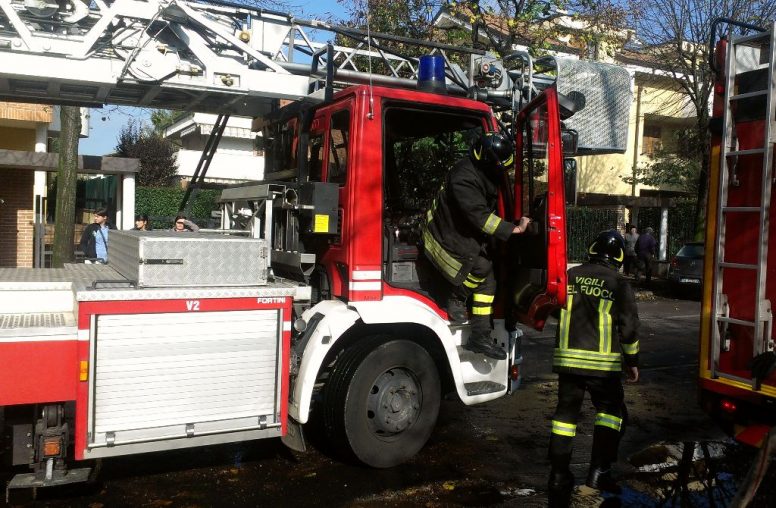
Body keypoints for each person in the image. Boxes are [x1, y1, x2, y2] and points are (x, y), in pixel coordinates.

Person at [547, 230, 640, 507]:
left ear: (592, 248)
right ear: (619, 256)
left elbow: (554, 308)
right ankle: (599, 473)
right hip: (603, 366)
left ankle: (558, 475)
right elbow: (629, 328)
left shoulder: (570, 275)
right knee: (610, 416)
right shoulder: (618, 284)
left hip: (568, 363)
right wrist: (632, 362)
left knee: (564, 418)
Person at [421, 131, 531, 360]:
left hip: (454, 230)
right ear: (488, 162)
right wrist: (514, 229)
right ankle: (454, 296)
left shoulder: (478, 169)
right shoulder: (464, 178)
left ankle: (480, 336)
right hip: (442, 236)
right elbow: (480, 217)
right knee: (481, 268)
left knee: (489, 281)